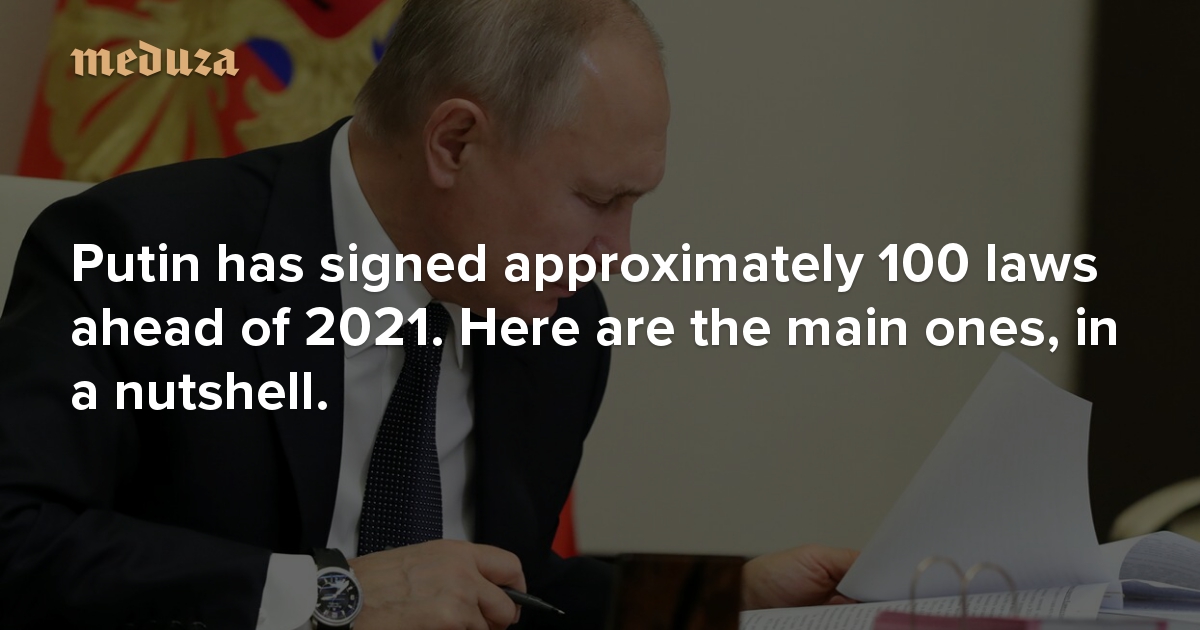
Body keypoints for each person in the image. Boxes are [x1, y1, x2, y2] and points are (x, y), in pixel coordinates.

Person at [0, 1, 858, 628]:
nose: (618, 252)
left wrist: (725, 599)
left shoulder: (559, 327)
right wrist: (331, 597)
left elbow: (504, 587)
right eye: (599, 200)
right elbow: (18, 539)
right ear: (454, 142)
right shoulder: (143, 253)